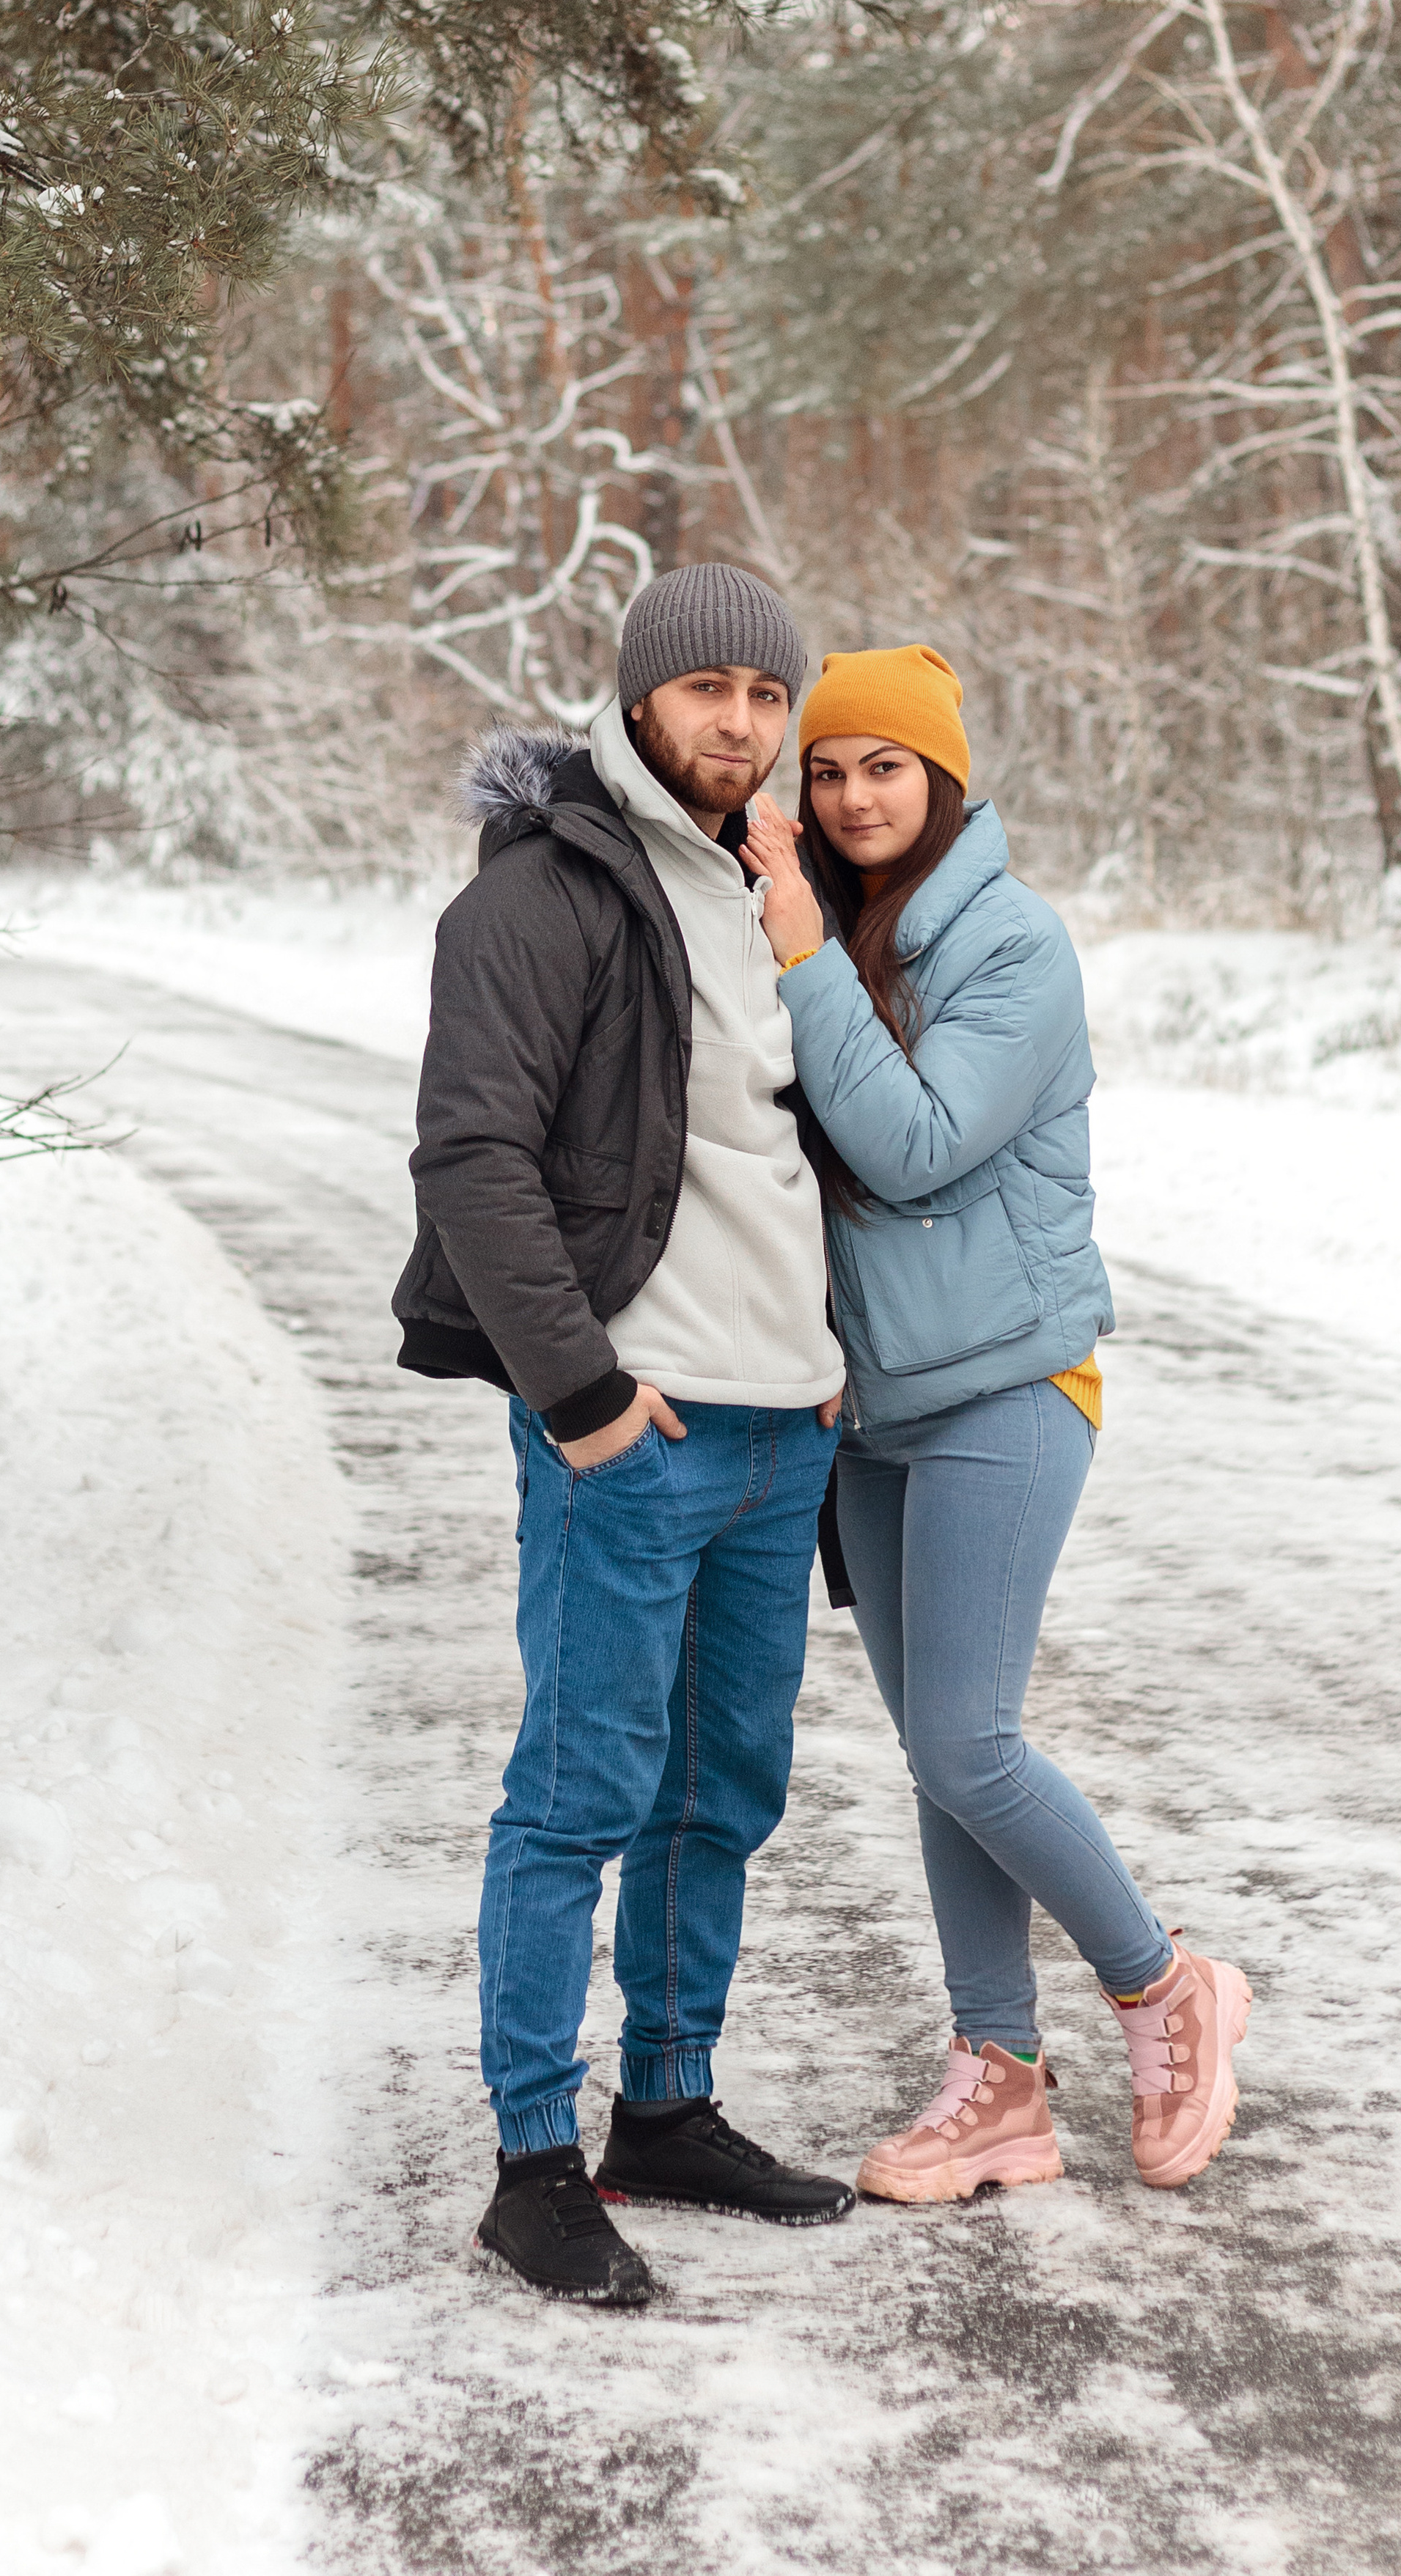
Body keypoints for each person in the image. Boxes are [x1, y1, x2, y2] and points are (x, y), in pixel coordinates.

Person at [394, 564, 855, 2306]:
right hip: (632, 1427)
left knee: (716, 1793)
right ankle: (532, 2162)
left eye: (764, 694)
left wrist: (824, 1361)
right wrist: (579, 1394)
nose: (740, 722)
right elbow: (472, 1158)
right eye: (707, 690)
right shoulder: (545, 895)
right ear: (640, 698)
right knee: (580, 1789)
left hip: (775, 1423)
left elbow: (780, 1147)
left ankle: (663, 2107)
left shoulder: (764, 887)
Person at [740, 641, 1251, 2202]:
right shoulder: (842, 927)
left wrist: (800, 956)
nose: (849, 794)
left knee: (967, 1736)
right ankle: (999, 2079)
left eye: (881, 766)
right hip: (875, 1406)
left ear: (942, 776)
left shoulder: (1012, 947)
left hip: (1008, 1385)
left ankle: (1163, 1985)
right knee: (937, 1752)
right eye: (824, 771)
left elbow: (911, 1147)